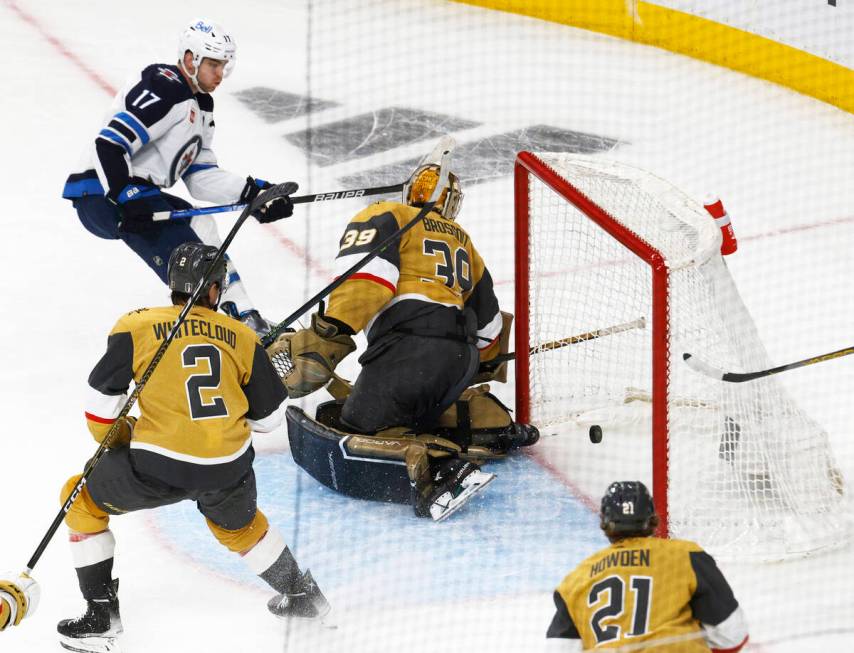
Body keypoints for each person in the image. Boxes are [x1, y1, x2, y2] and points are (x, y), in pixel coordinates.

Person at [55, 243, 330, 651]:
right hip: (227, 467)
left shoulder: (135, 326)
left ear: (173, 285)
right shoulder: (242, 337)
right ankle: (304, 596)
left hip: (156, 466)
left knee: (78, 499)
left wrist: (123, 438)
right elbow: (269, 422)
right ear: (216, 291)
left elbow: (98, 416)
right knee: (240, 527)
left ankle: (100, 617)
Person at [268, 145, 538, 520]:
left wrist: (327, 336)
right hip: (460, 359)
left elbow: (367, 281)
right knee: (417, 403)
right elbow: (490, 329)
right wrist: (469, 372)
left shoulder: (389, 214)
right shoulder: (464, 241)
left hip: (408, 351)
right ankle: (487, 423)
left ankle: (441, 471)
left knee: (360, 424)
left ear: (411, 191)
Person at [61, 18, 294, 336]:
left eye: (223, 65)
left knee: (203, 227)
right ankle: (222, 337)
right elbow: (109, 144)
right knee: (194, 270)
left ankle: (244, 317)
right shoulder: (165, 84)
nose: (219, 74)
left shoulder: (201, 105)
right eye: (212, 64)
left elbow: (200, 177)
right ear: (189, 59)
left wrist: (253, 193)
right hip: (102, 193)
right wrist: (125, 196)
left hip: (140, 195)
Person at [546, 481, 749, 652]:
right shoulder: (686, 556)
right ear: (653, 519)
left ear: (604, 524)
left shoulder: (575, 580)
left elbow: (559, 648)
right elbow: (732, 636)